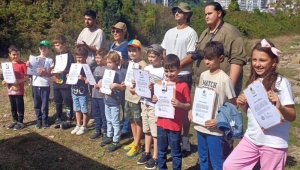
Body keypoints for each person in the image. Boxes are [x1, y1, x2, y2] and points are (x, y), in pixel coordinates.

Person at [223, 39, 296, 170]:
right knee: (229, 166)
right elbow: (254, 114)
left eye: (262, 60)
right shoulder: (252, 82)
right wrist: (244, 105)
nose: (257, 64)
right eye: (254, 60)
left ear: (273, 62)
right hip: (252, 139)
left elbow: (292, 116)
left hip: (273, 143)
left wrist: (280, 107)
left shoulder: (281, 82)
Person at [194, 1, 247, 158]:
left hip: (223, 90)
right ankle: (211, 160)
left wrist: (227, 87)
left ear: (219, 13)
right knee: (208, 128)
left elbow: (237, 60)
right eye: (205, 14)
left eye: (209, 13)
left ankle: (224, 161)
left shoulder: (231, 32)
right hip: (206, 90)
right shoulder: (205, 32)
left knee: (222, 126)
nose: (206, 17)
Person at [188, 41, 237, 170]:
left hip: (215, 129)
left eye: (210, 59)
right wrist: (192, 111)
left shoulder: (225, 79)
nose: (206, 62)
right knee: (203, 158)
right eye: (205, 58)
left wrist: (219, 120)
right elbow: (199, 97)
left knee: (217, 162)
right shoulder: (203, 75)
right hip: (200, 126)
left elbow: (233, 105)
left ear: (220, 58)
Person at [161, 2, 198, 151]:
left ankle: (185, 139)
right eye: (175, 11)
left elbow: (191, 56)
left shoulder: (191, 32)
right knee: (168, 104)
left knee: (183, 108)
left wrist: (175, 68)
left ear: (187, 15)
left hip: (183, 75)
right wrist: (167, 67)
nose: (176, 13)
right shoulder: (169, 31)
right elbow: (164, 51)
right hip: (168, 75)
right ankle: (170, 136)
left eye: (180, 11)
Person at [153, 54, 191, 170]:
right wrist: (155, 99)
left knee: (175, 153)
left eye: (172, 71)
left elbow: (188, 105)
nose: (169, 74)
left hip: (174, 125)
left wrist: (180, 104)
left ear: (179, 69)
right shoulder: (160, 84)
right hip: (161, 124)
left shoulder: (183, 86)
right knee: (161, 151)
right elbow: (157, 100)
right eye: (166, 71)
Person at [137, 44, 165, 169]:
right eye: (149, 56)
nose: (151, 59)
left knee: (155, 132)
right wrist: (136, 82)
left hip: (155, 105)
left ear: (160, 56)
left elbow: (164, 89)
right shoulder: (147, 68)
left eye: (153, 56)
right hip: (144, 102)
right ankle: (147, 152)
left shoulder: (163, 71)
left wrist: (154, 88)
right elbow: (141, 82)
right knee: (146, 129)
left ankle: (156, 156)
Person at [76, 9, 106, 125]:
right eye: (85, 19)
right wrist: (79, 47)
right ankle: (84, 113)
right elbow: (79, 45)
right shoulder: (84, 31)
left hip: (94, 65)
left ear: (94, 19)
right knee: (84, 91)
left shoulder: (99, 33)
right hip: (83, 65)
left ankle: (95, 116)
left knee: (94, 90)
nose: (86, 21)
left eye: (89, 19)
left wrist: (85, 46)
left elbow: (99, 50)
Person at [122, 39, 147, 158]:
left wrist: (135, 87)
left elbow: (143, 83)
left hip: (136, 98)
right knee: (131, 119)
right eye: (130, 51)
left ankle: (137, 145)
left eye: (134, 51)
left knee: (138, 121)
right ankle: (135, 141)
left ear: (139, 51)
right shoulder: (130, 63)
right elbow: (129, 78)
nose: (132, 53)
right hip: (128, 95)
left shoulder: (143, 65)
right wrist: (126, 82)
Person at [99, 51, 126, 152]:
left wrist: (116, 85)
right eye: (107, 62)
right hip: (107, 100)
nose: (108, 64)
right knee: (108, 120)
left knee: (115, 122)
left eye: (110, 62)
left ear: (116, 62)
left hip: (115, 101)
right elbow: (104, 82)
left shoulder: (120, 73)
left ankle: (116, 140)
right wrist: (101, 82)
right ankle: (109, 136)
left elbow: (123, 87)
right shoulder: (107, 72)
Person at [108, 22, 130, 136]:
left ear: (124, 32)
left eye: (118, 31)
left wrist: (125, 62)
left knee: (124, 101)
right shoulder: (111, 45)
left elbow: (133, 61)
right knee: (114, 100)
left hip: (123, 75)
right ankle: (114, 123)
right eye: (113, 31)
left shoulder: (127, 45)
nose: (115, 33)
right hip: (112, 76)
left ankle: (126, 126)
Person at [26, 40, 54, 129]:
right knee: (36, 104)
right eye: (41, 47)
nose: (42, 49)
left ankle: (45, 120)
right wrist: (28, 65)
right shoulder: (34, 59)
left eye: (45, 47)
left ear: (48, 49)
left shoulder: (50, 60)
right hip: (35, 84)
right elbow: (30, 72)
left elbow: (52, 73)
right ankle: (38, 119)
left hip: (45, 84)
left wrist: (45, 72)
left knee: (45, 104)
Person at [3, 45, 29, 130]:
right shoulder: (8, 65)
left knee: (19, 105)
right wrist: (4, 81)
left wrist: (20, 81)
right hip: (10, 90)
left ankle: (20, 121)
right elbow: (6, 77)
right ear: (9, 54)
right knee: (13, 106)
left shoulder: (23, 64)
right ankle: (14, 120)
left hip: (19, 90)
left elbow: (27, 77)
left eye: (17, 54)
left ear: (20, 54)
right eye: (14, 54)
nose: (16, 56)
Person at [51, 35, 75, 129]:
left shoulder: (69, 56)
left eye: (58, 45)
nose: (56, 47)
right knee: (58, 102)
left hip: (65, 83)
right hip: (56, 82)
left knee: (67, 101)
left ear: (64, 44)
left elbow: (72, 69)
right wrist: (53, 70)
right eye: (55, 45)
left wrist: (64, 71)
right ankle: (58, 117)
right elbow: (54, 67)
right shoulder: (56, 56)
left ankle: (69, 118)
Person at [70, 47, 90, 135]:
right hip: (74, 91)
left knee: (84, 109)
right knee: (77, 109)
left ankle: (84, 126)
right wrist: (68, 76)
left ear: (86, 57)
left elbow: (89, 80)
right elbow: (71, 76)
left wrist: (83, 78)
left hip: (83, 92)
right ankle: (78, 124)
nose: (78, 59)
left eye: (81, 57)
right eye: (77, 57)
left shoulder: (87, 67)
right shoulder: (74, 66)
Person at [89, 48, 109, 139]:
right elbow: (93, 79)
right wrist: (88, 80)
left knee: (103, 114)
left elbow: (107, 83)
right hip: (94, 95)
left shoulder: (108, 69)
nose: (97, 59)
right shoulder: (96, 68)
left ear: (105, 58)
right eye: (95, 57)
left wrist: (100, 85)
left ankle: (105, 131)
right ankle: (97, 130)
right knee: (96, 114)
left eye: (98, 57)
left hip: (102, 96)